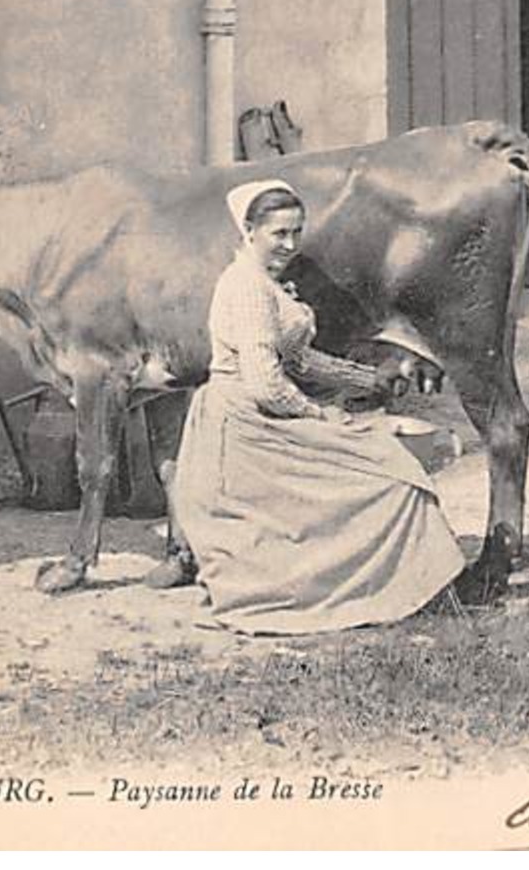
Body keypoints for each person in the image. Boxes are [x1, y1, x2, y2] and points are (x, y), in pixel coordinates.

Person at [163, 179, 466, 635]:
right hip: (245, 424)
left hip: (261, 414)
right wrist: (321, 417)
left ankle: (400, 581)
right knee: (385, 469)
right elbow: (266, 383)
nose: (289, 244)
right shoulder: (247, 289)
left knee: (378, 460)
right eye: (278, 233)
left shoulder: (268, 283)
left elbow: (300, 359)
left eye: (296, 233)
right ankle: (382, 586)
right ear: (249, 230)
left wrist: (369, 378)